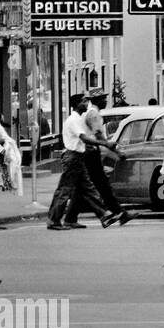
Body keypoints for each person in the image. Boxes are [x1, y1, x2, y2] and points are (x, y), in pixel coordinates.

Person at [47, 95, 120, 231]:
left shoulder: (78, 119)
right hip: (73, 158)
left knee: (87, 188)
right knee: (65, 190)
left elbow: (80, 141)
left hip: (78, 156)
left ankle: (104, 215)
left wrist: (88, 147)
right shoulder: (74, 120)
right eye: (83, 101)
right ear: (76, 104)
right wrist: (103, 143)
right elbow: (84, 137)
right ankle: (54, 220)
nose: (86, 103)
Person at [64, 88, 132, 228]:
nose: (106, 101)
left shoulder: (91, 113)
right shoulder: (93, 114)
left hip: (87, 152)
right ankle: (116, 213)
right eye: (103, 99)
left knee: (84, 186)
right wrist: (116, 152)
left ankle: (70, 218)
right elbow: (99, 135)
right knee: (100, 184)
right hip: (91, 152)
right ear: (97, 100)